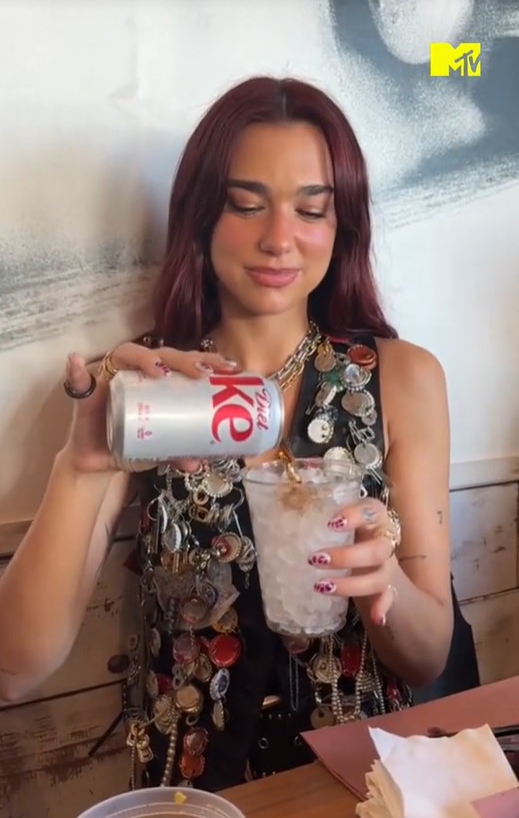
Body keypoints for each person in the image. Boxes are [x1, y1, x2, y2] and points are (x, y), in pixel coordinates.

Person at [0, 76, 453, 792]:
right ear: (202, 216)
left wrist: (381, 580)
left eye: (311, 209)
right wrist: (80, 465)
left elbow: (428, 658)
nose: (278, 238)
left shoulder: (402, 377)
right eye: (246, 205)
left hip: (362, 787)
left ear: (342, 228)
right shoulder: (148, 383)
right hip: (195, 796)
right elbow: (15, 669)